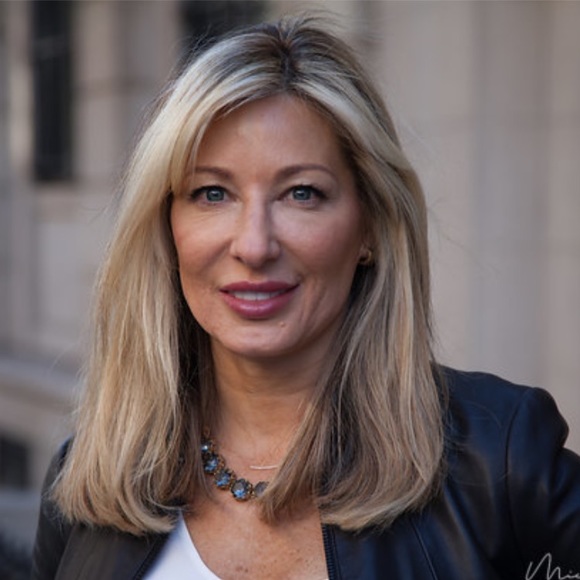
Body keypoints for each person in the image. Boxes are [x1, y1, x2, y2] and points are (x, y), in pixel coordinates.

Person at [32, 16, 580, 580]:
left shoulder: (505, 465)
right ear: (167, 228)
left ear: (370, 228)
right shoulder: (87, 480)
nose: (254, 245)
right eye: (212, 193)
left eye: (302, 193)